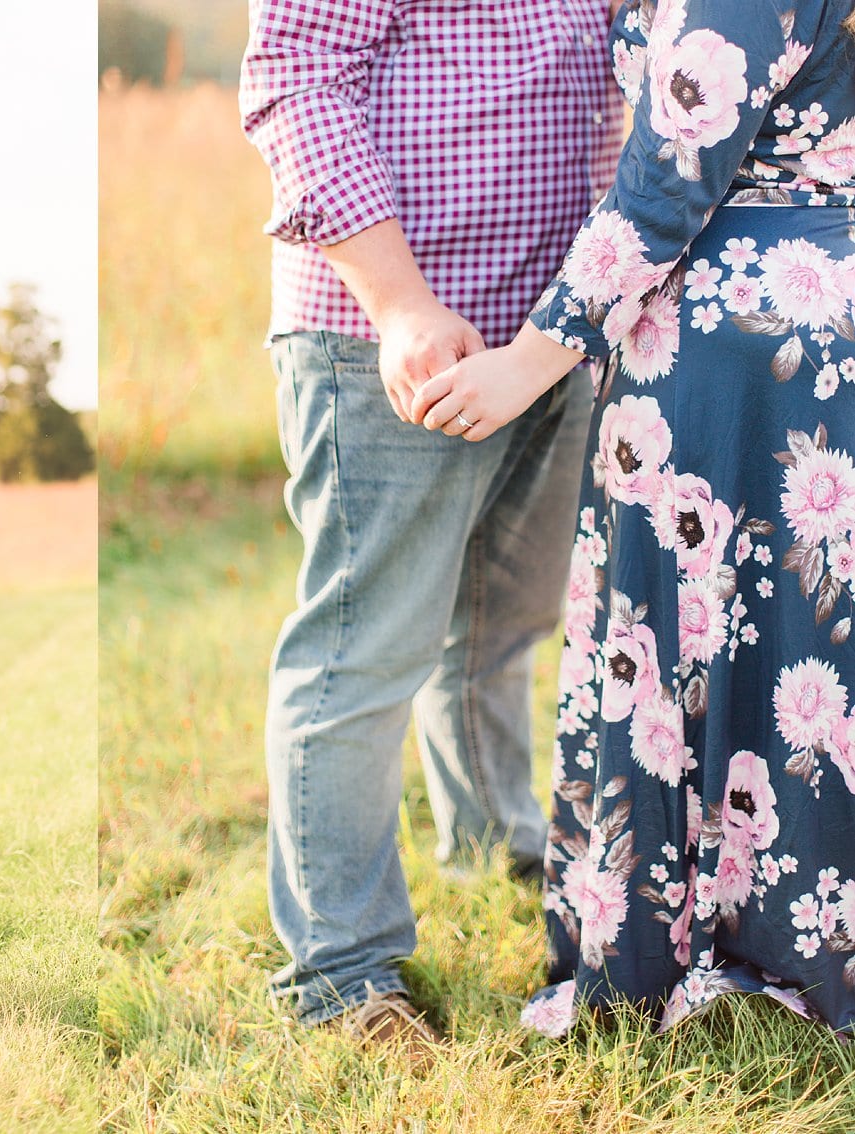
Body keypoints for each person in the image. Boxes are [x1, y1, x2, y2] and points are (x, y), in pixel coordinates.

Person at [410, 0, 855, 1034]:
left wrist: (529, 362)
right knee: (764, 643)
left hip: (740, 348)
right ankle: (754, 924)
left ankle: (738, 946)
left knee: (737, 645)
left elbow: (664, 182)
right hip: (763, 326)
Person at [239, 0, 626, 1045]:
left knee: (501, 622)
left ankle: (495, 844)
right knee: (362, 654)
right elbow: (294, 77)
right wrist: (400, 304)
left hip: (554, 331)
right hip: (395, 337)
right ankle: (341, 978)